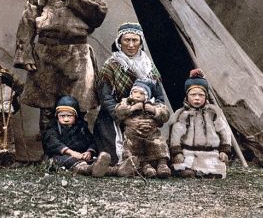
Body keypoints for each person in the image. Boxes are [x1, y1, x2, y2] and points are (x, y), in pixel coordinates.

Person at [13, 0, 108, 134]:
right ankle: (51, 152)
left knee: (77, 105)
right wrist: (26, 53)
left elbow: (98, 15)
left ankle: (78, 149)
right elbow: (28, 18)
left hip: (77, 53)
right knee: (47, 106)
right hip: (46, 51)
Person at [94, 22, 166, 164]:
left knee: (153, 150)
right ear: (119, 42)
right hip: (115, 116)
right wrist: (125, 117)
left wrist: (152, 114)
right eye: (127, 40)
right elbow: (105, 97)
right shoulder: (111, 65)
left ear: (141, 42)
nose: (131, 45)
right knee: (115, 156)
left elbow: (159, 97)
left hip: (143, 115)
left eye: (135, 40)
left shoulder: (149, 67)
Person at [169, 69, 233, 179]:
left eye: (201, 95)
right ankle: (189, 171)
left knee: (215, 171)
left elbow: (224, 131)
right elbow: (176, 134)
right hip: (188, 152)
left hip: (210, 152)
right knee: (184, 170)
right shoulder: (183, 114)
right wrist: (177, 152)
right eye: (193, 95)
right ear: (187, 96)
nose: (197, 98)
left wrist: (224, 150)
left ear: (206, 96)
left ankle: (208, 171)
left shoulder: (213, 112)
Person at [42, 95, 112, 177]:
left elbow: (91, 141)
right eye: (62, 116)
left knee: (96, 160)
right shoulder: (52, 129)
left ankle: (116, 170)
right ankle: (89, 169)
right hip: (61, 156)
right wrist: (72, 153)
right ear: (57, 116)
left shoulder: (81, 127)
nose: (66, 119)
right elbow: (53, 143)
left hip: (80, 155)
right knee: (65, 160)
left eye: (69, 116)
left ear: (75, 116)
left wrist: (89, 152)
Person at [114, 79, 171, 178]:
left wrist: (154, 110)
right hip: (134, 135)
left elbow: (165, 115)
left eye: (141, 93)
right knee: (135, 148)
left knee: (159, 143)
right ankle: (145, 167)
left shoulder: (153, 104)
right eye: (135, 92)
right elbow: (118, 112)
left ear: (147, 96)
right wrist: (132, 108)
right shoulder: (126, 103)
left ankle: (162, 164)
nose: (137, 95)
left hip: (152, 134)